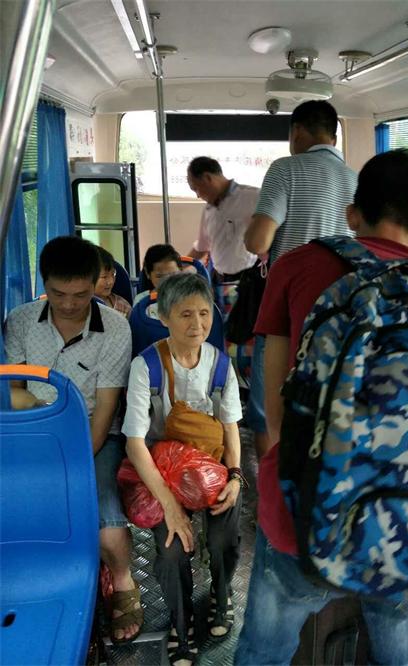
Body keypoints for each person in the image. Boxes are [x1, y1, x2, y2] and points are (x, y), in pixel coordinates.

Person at [235, 149, 408, 666]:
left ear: (351, 214)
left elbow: (273, 406)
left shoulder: (297, 266)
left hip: (308, 506)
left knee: (264, 652)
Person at [4, 235, 141, 644]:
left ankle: (123, 580)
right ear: (44, 284)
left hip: (91, 435)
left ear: (96, 284)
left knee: (103, 516)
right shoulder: (21, 320)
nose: (68, 304)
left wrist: (75, 462)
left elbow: (106, 407)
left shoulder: (115, 327)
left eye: (80, 295)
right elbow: (13, 392)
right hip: (33, 431)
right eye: (58, 294)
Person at [122, 272, 243, 666]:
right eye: (185, 314)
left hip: (213, 464)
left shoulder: (220, 366)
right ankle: (180, 620)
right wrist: (170, 506)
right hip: (163, 470)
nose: (197, 324)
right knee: (171, 550)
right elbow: (135, 443)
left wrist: (236, 476)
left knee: (223, 535)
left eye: (204, 314)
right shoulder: (147, 367)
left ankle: (221, 595)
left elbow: (231, 430)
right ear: (164, 317)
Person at [244, 100, 357, 458]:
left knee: (269, 412)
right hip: (343, 313)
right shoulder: (356, 180)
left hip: (288, 312)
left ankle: (272, 488)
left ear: (297, 131)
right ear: (334, 136)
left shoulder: (286, 169)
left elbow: (257, 242)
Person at [187, 156, 259, 287]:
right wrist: (179, 265)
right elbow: (202, 247)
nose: (197, 195)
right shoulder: (208, 211)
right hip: (218, 278)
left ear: (207, 178)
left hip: (249, 279)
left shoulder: (253, 198)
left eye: (196, 188)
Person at [95, 246, 132, 318]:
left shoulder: (123, 306)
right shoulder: (81, 306)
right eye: (104, 277)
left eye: (113, 274)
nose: (111, 281)